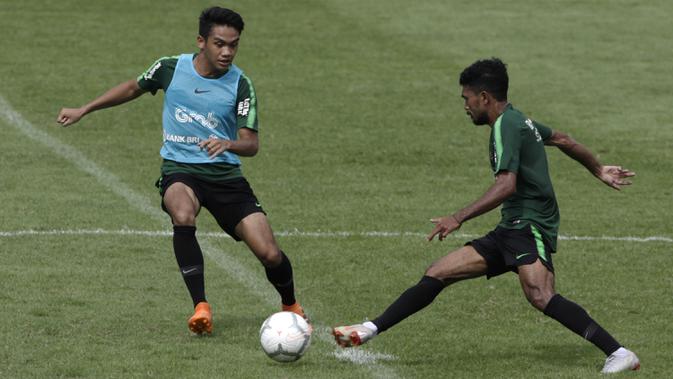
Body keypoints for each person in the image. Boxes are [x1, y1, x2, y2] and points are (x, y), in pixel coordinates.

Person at [332, 58, 639, 374]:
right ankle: (369, 329)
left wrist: (458, 216)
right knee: (439, 271)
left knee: (541, 295)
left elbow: (507, 185)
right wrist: (598, 169)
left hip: (529, 224)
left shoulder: (506, 127)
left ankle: (618, 352)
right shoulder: (520, 120)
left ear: (484, 98)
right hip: (511, 227)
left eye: (467, 98)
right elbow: (563, 140)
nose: (465, 106)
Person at [56, 7, 307, 335]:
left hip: (226, 178)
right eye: (220, 44)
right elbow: (133, 87)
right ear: (201, 41)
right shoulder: (170, 68)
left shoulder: (241, 84)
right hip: (181, 171)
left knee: (269, 253)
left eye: (234, 45)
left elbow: (251, 144)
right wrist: (84, 109)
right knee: (182, 212)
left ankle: (291, 305)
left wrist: (228, 144)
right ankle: (200, 307)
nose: (227, 52)